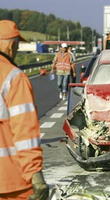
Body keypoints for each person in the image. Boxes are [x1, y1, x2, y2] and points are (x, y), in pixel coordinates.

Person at [0, 20, 49, 199]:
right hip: (9, 182)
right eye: (17, 44)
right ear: (11, 45)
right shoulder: (13, 77)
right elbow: (24, 133)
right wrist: (36, 176)